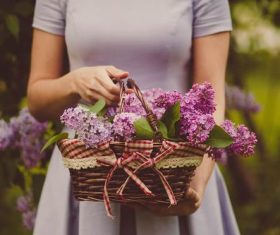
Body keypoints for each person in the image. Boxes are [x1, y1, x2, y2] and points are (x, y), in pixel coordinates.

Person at [27, 0, 240, 234]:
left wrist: (196, 185)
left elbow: (211, 99)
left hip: (174, 166)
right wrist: (74, 82)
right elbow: (37, 102)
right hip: (87, 168)